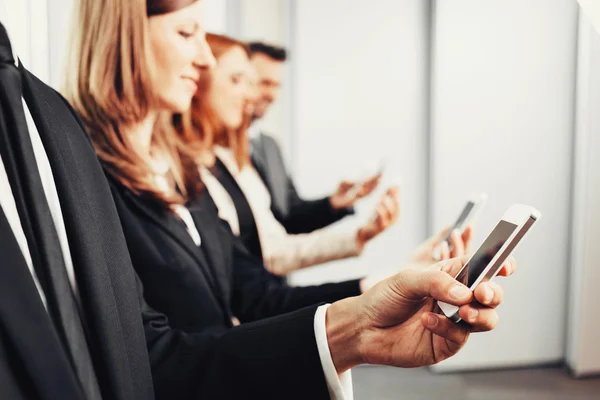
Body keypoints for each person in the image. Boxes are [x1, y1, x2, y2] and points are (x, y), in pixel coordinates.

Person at [0, 1, 514, 399]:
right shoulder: (81, 169)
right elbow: (146, 356)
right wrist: (353, 327)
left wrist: (371, 304)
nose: (204, 59)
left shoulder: (183, 171)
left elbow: (252, 291)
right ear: (123, 34)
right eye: (186, 33)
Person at [178, 33, 400, 276]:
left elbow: (276, 237)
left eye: (275, 86)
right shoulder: (179, 168)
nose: (258, 95)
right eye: (248, 81)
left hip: (266, 296)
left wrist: (348, 221)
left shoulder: (257, 150)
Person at [248, 41, 381, 234]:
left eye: (277, 86)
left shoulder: (270, 146)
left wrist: (334, 203)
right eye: (264, 83)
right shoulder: (212, 147)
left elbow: (290, 217)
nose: (271, 95)